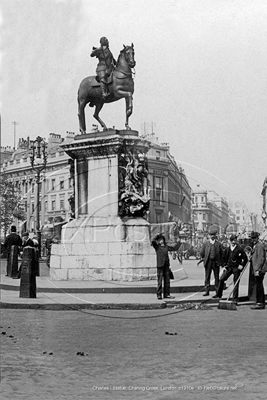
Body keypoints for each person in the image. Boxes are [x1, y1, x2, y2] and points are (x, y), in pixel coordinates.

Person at [215, 235, 248, 304]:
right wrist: (224, 265)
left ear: (236, 241)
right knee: (221, 279)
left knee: (236, 283)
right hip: (229, 267)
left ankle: (235, 299)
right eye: (232, 240)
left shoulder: (240, 249)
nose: (233, 242)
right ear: (230, 241)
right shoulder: (227, 249)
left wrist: (241, 265)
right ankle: (219, 294)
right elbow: (223, 258)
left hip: (236, 268)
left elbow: (245, 259)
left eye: (235, 240)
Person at [151, 233, 181, 300]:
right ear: (158, 241)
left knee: (167, 281)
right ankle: (159, 295)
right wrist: (157, 236)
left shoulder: (166, 246)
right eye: (160, 240)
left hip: (166, 266)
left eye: (162, 240)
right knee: (160, 281)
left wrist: (179, 242)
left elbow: (174, 248)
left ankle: (167, 294)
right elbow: (153, 241)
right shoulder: (157, 247)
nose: (161, 241)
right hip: (160, 266)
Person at [200, 227, 223, 296]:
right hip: (208, 262)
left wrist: (220, 262)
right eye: (211, 235)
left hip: (216, 262)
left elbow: (222, 253)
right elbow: (202, 253)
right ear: (209, 236)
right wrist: (204, 258)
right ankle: (207, 291)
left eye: (213, 235)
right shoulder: (205, 244)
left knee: (216, 277)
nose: (212, 236)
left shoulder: (218, 244)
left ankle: (217, 291)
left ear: (215, 235)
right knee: (207, 277)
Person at [250, 231, 266, 310]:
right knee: (258, 285)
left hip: (259, 270)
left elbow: (261, 258)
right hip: (257, 269)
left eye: (254, 238)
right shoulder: (255, 246)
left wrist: (257, 269)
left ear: (257, 238)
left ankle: (260, 302)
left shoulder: (259, 246)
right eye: (252, 238)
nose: (253, 240)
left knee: (259, 286)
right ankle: (259, 301)